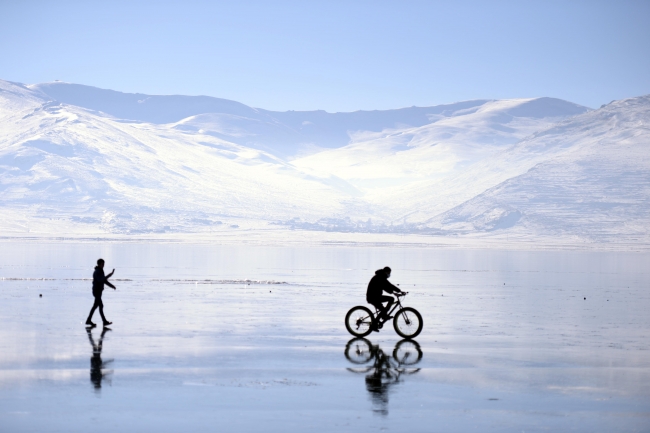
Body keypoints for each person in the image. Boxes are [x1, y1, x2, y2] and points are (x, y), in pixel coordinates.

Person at [85, 258, 116, 327]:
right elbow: (100, 280)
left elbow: (104, 281)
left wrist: (112, 286)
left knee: (95, 306)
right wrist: (110, 275)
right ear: (98, 264)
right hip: (96, 291)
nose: (103, 265)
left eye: (103, 264)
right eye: (102, 264)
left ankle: (88, 320)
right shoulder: (97, 272)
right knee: (101, 306)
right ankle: (104, 321)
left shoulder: (101, 271)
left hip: (99, 291)